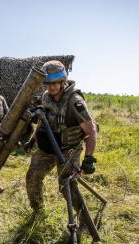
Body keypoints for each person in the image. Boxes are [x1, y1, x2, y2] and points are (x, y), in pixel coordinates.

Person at [25, 60, 97, 227]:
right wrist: (33, 139)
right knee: (32, 177)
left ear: (63, 81)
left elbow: (91, 131)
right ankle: (38, 213)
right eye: (48, 84)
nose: (51, 88)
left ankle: (84, 223)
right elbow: (43, 122)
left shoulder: (75, 100)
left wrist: (89, 158)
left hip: (68, 149)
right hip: (47, 148)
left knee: (67, 186)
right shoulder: (46, 97)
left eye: (55, 84)